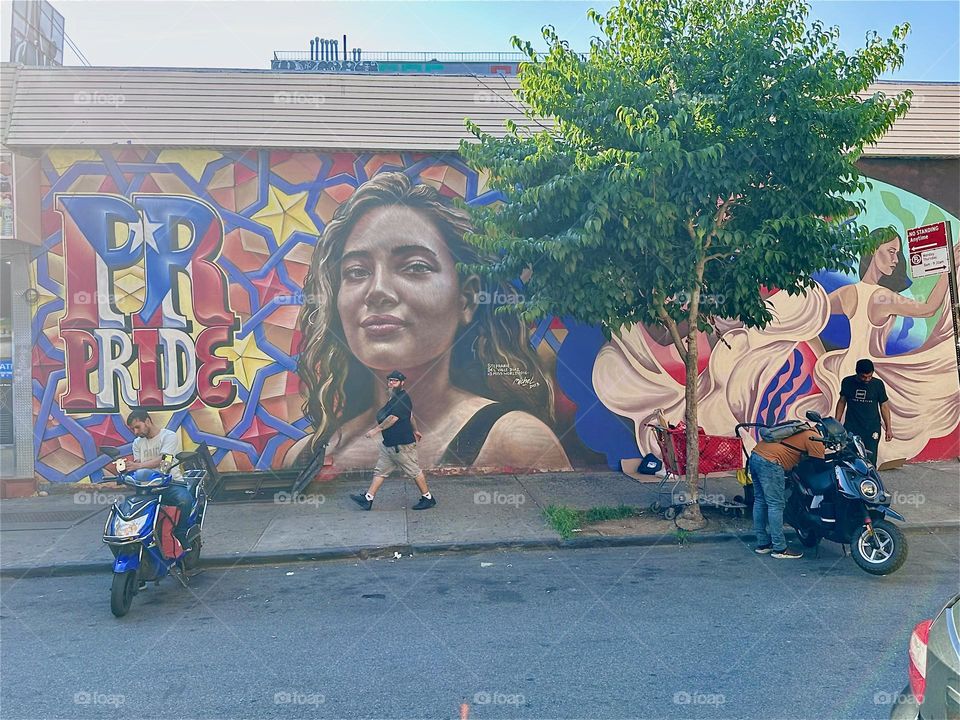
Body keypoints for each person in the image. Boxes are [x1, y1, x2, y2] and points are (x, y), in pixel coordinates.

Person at [293, 172, 570, 473]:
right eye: (357, 271)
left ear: (466, 299)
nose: (377, 292)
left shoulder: (513, 441)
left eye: (414, 267)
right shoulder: (308, 454)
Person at [349, 370, 435, 510]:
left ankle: (428, 498)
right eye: (390, 380)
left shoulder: (402, 398)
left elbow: (393, 418)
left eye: (395, 381)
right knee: (380, 471)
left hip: (401, 446)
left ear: (402, 383)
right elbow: (410, 415)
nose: (391, 383)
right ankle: (368, 499)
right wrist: (415, 430)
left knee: (414, 471)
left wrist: (375, 430)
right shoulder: (394, 398)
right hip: (389, 445)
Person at [749, 426, 826, 559]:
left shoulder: (800, 430)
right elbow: (819, 466)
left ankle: (763, 544)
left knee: (760, 501)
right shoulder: (815, 439)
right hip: (771, 463)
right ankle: (779, 548)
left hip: (756, 456)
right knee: (775, 505)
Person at [123, 410, 193, 548]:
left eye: (137, 427)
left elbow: (165, 459)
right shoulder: (137, 443)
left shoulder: (169, 436)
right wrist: (129, 469)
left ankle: (181, 533)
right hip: (147, 487)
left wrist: (138, 465)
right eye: (133, 429)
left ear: (148, 421)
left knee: (185, 500)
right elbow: (138, 465)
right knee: (128, 507)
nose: (135, 432)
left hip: (171, 483)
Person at [835, 358, 891, 463]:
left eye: (870, 376)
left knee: (870, 458)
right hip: (852, 426)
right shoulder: (847, 382)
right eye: (863, 377)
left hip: (871, 427)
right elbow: (842, 402)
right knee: (850, 456)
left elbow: (884, 406)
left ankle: (869, 479)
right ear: (857, 373)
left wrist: (888, 428)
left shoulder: (878, 384)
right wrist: (836, 422)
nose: (867, 379)